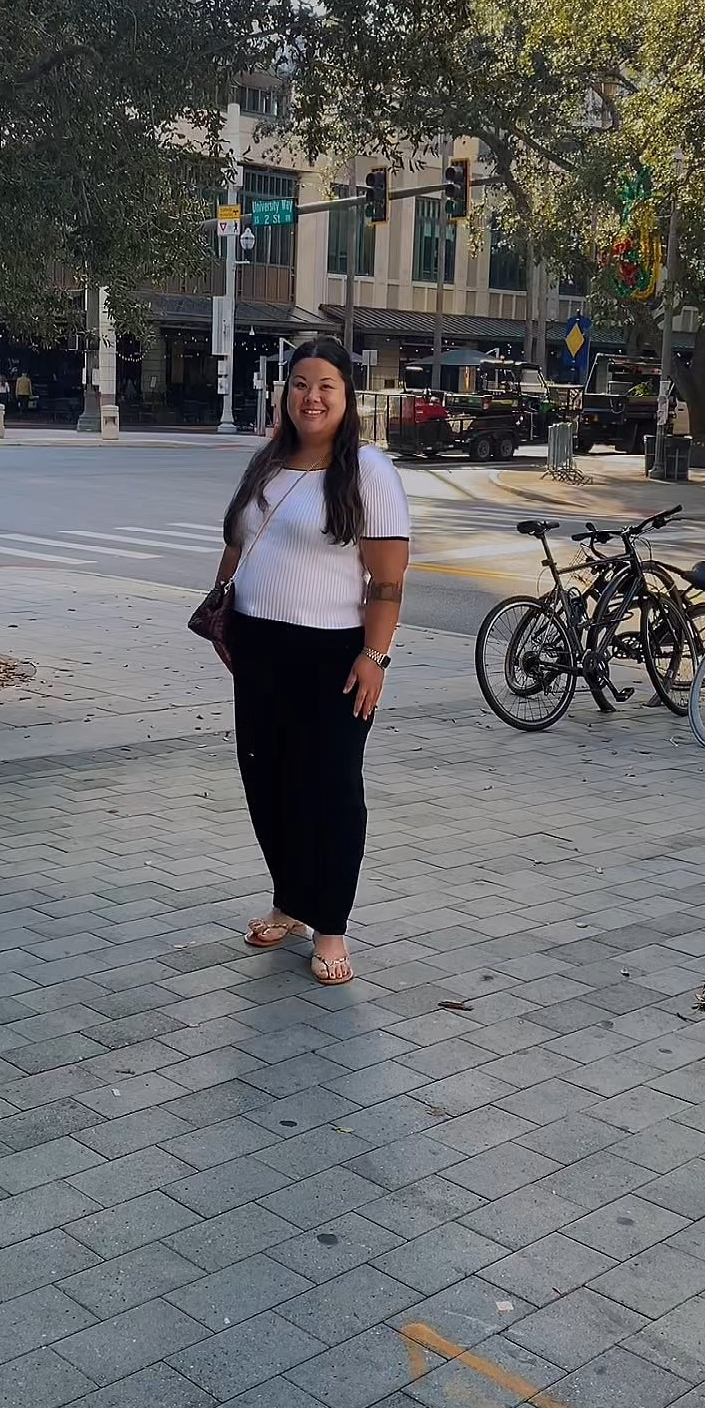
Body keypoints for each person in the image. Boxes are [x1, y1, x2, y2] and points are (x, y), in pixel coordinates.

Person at [215, 337, 410, 986]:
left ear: (347, 397)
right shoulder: (269, 462)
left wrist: (375, 655)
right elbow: (238, 541)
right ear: (286, 392)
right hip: (259, 647)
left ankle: (330, 925)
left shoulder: (368, 472)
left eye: (326, 385)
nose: (312, 397)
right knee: (267, 783)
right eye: (300, 384)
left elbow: (387, 582)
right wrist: (226, 615)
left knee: (329, 790)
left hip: (332, 654)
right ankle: (290, 903)